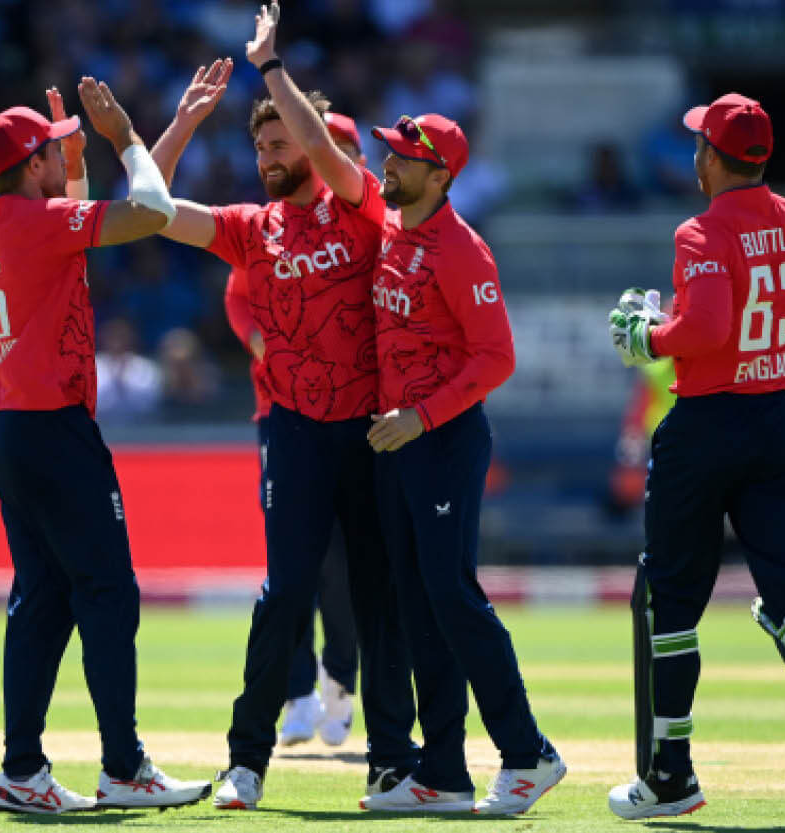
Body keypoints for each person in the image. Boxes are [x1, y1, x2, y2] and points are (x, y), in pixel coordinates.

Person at [245, 3, 565, 816]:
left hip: (442, 441)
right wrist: (272, 73)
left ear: (442, 176)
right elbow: (319, 147)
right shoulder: (386, 225)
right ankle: (444, 771)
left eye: (404, 157)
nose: (386, 162)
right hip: (396, 444)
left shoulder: (461, 249)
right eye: (388, 151)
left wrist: (422, 417)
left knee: (452, 596)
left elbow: (497, 358)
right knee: (418, 605)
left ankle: (528, 752)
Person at [606, 93, 785, 825]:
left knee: (670, 598)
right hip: (774, 421)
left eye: (700, 144)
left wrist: (647, 336)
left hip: (704, 425)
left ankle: (671, 776)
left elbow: (703, 328)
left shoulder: (699, 230)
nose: (695, 154)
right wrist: (775, 329)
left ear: (713, 157)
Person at [151, 55, 419, 809]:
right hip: (295, 433)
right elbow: (152, 204)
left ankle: (392, 763)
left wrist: (270, 71)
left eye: (279, 145)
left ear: (310, 144)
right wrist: (184, 122)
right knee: (284, 595)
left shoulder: (363, 207)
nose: (267, 158)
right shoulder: (249, 229)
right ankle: (246, 763)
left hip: (369, 433)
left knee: (376, 597)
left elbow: (326, 150)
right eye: (260, 147)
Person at [0, 70, 229, 815]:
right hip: (55, 430)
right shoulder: (37, 224)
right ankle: (123, 765)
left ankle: (23, 769)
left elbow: (74, 227)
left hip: (14, 428)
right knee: (108, 592)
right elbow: (150, 211)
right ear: (33, 167)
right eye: (51, 151)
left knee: (43, 598)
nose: (62, 156)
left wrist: (85, 158)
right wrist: (124, 138)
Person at [222, 111, 371, 752]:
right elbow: (238, 295)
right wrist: (261, 341)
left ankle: (341, 679)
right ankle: (297, 690)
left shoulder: (365, 222)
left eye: (346, 150)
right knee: (291, 563)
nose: (341, 159)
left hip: (353, 412)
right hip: (280, 412)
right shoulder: (272, 226)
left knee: (344, 563)